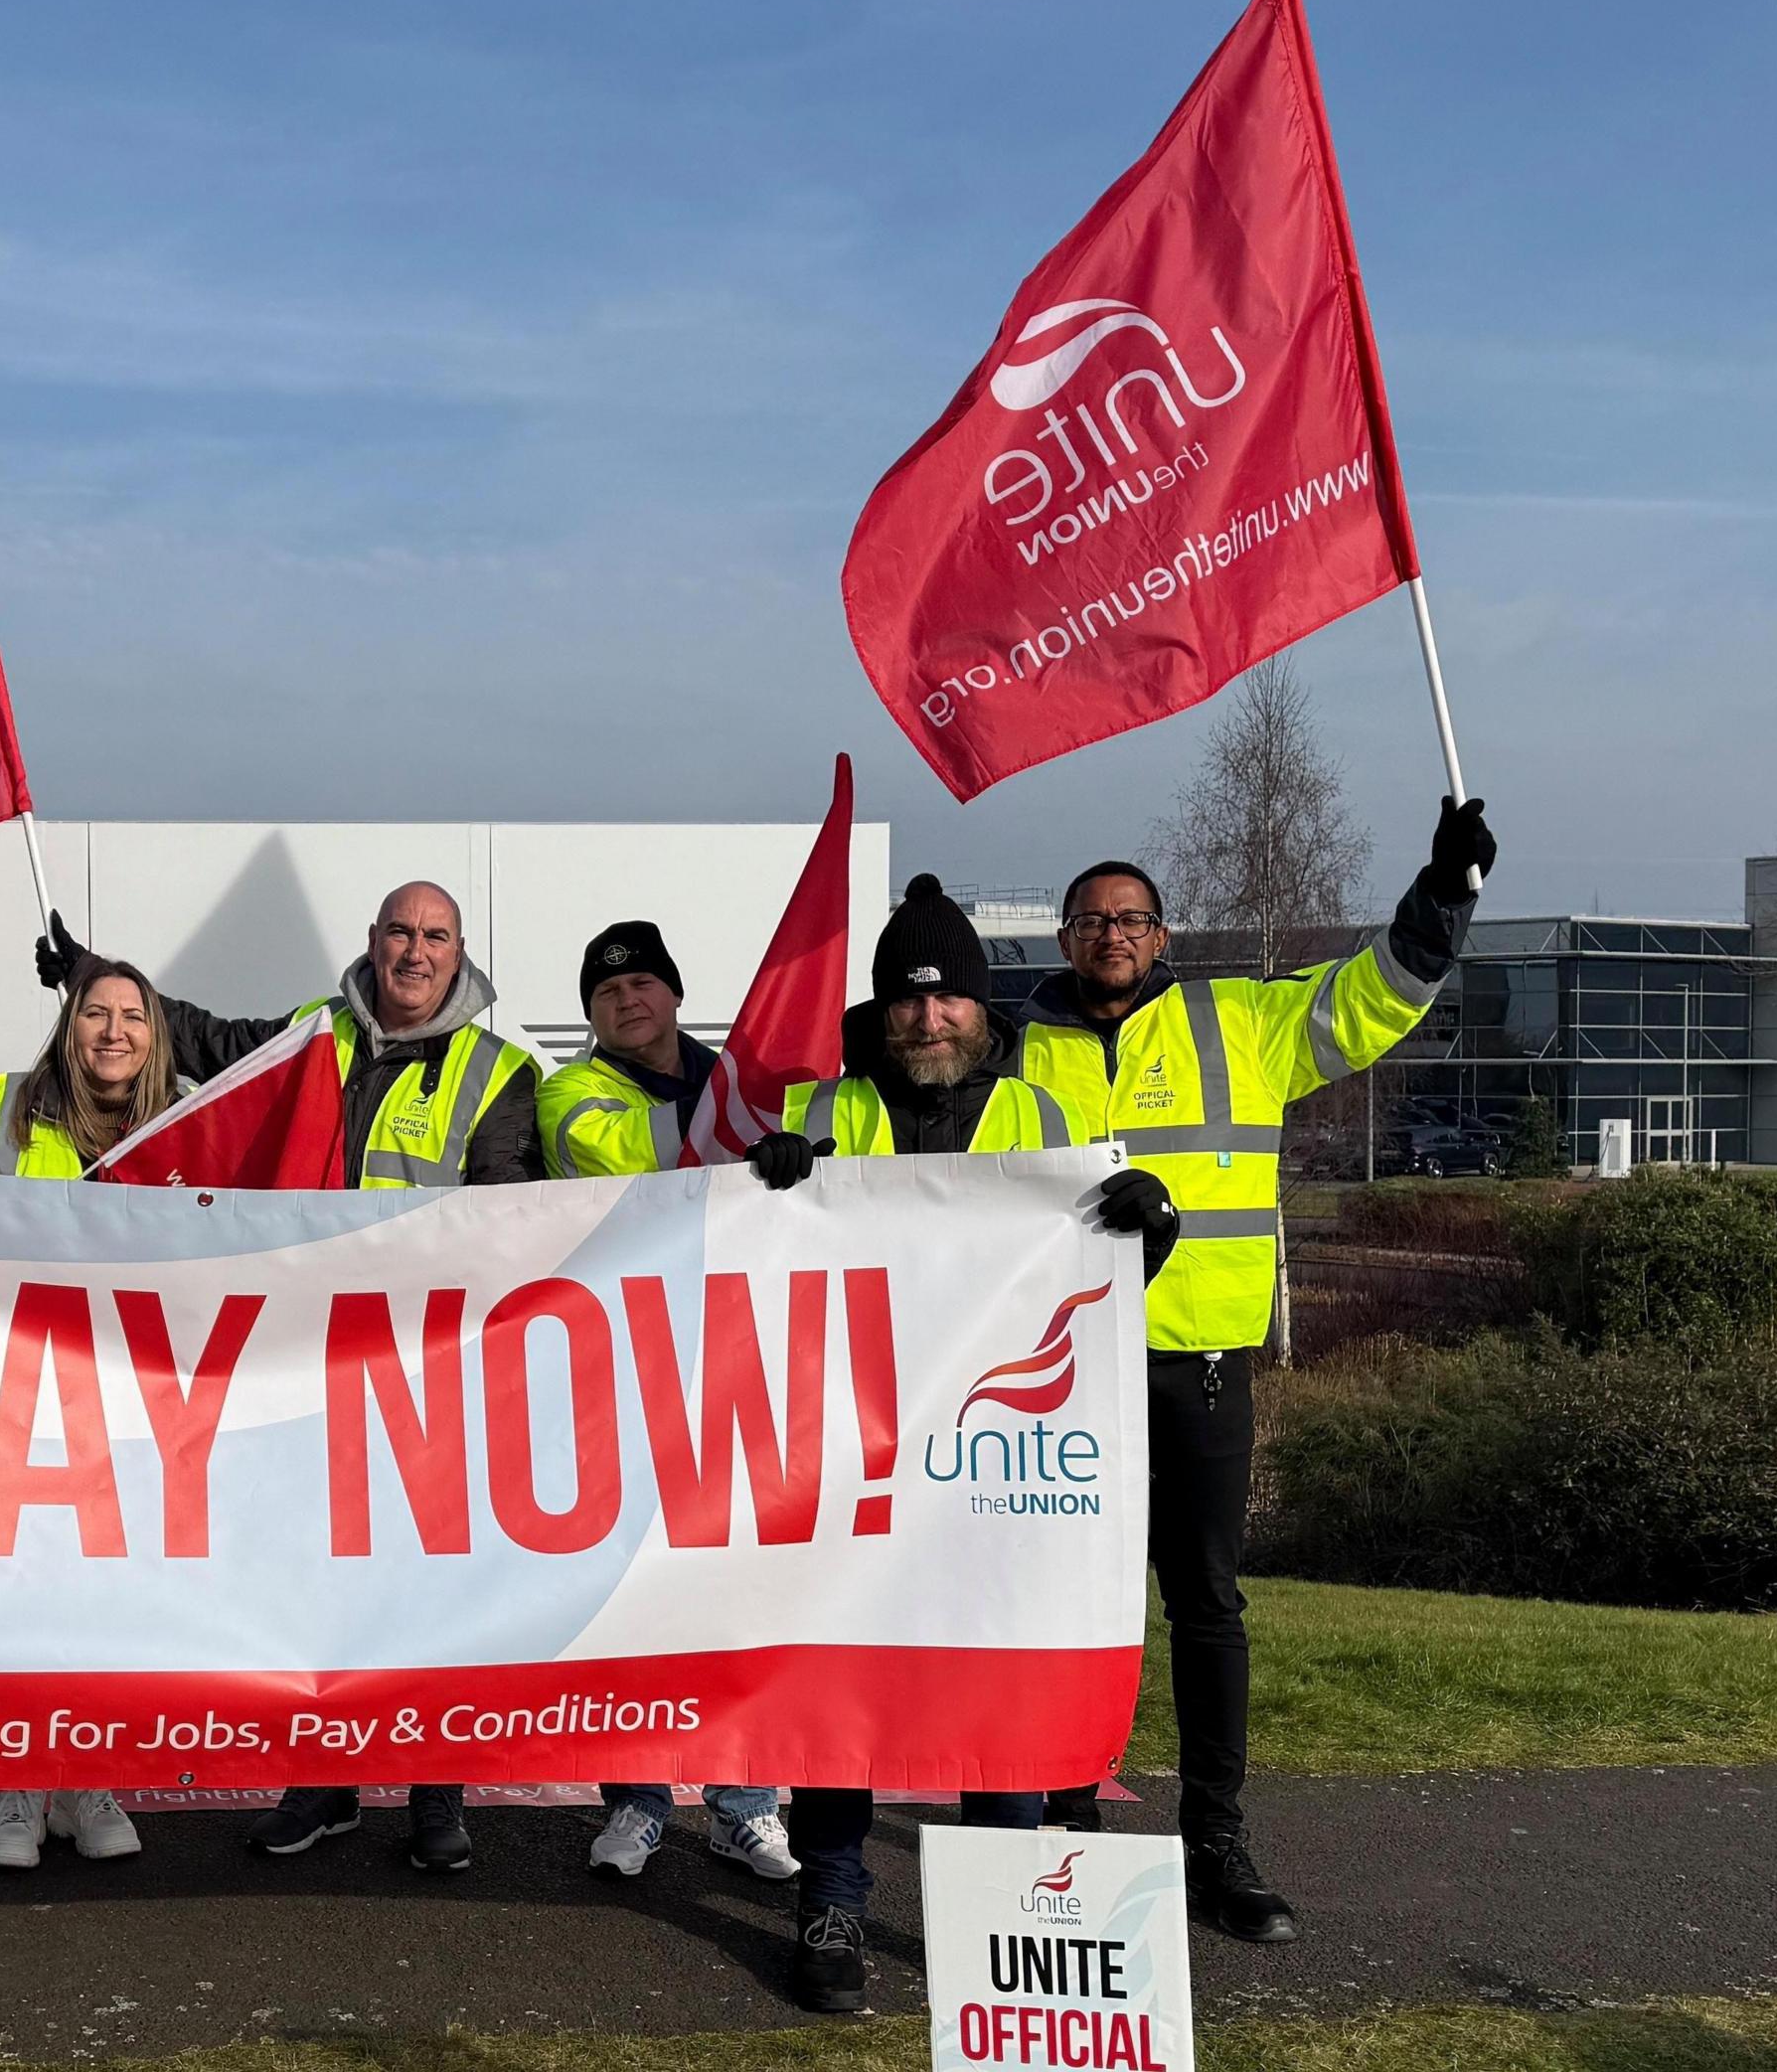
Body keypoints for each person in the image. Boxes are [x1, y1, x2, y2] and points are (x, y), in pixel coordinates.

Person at [1008, 796, 1496, 1950]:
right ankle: (1065, 1822)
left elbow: (1372, 996)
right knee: (1070, 1610)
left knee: (1208, 1609)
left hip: (1203, 1367)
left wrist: (1444, 895)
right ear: (1062, 938)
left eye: (1131, 918)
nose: (1111, 935)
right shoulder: (1013, 1046)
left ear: (1163, 937)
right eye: (1089, 918)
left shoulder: (1243, 1021)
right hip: (1055, 1373)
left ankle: (1217, 1841)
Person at [34, 878, 543, 1871]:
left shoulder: (499, 1073)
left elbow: (506, 1217)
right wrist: (93, 973)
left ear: (459, 952)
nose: (414, 951)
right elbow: (205, 1041)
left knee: (429, 1593)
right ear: (373, 939)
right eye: (400, 931)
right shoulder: (317, 1033)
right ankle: (325, 1788)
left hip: (425, 1369)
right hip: (309, 1370)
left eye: (434, 936)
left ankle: (437, 1801)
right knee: (324, 1588)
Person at [734, 873, 1174, 2015]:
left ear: (983, 1010)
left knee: (999, 1685)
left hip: (996, 1463)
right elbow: (758, 1282)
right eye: (907, 1002)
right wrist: (765, 1188)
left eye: (949, 1002)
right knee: (838, 1681)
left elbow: (1098, 1288)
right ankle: (830, 1897)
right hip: (857, 1454)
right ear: (879, 1013)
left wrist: (1150, 1228)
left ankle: (1007, 1910)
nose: (928, 1021)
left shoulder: (1044, 1121)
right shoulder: (825, 1114)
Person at [535, 919, 800, 1884]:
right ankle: (637, 1805)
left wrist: (792, 1147)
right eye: (606, 992)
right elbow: (643, 1164)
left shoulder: (748, 1087)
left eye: (642, 982)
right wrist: (760, 1145)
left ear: (676, 992)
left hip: (739, 1363)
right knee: (628, 1594)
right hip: (624, 1370)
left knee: (739, 1593)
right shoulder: (571, 1091)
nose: (626, 1000)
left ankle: (746, 1807)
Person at [0, 956, 183, 1868]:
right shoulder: (3, 1114)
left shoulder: (188, 1125)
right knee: (25, 1588)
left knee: (104, 1599)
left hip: (132, 1395)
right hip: (24, 1383)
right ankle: (21, 1782)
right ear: (69, 1024)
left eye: (134, 1015)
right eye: (98, 1013)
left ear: (156, 1034)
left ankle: (86, 1776)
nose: (116, 1031)